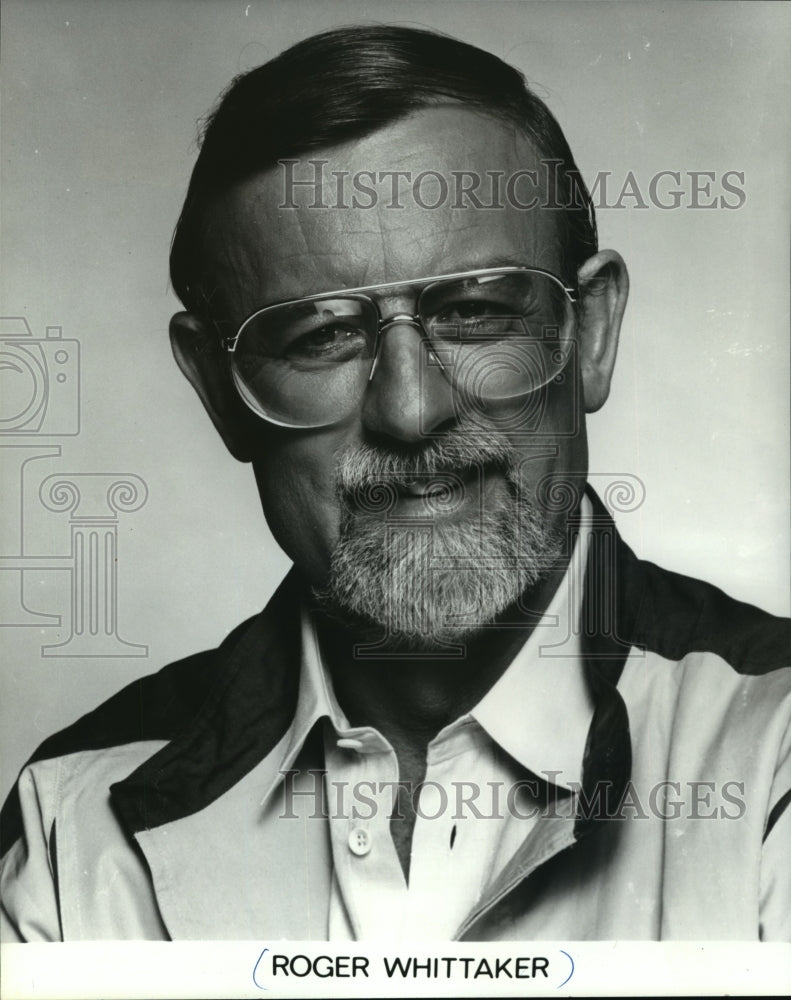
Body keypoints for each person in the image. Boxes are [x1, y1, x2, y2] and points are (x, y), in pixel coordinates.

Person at [1, 25, 788, 943]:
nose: (411, 411)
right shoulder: (74, 822)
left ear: (594, 333)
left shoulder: (771, 747)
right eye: (321, 335)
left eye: (473, 311)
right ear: (217, 390)